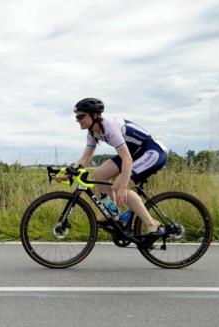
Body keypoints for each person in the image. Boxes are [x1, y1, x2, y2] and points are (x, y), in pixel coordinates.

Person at [71, 98, 166, 243]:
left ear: (94, 115)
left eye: (81, 116)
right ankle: (113, 215)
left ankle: (152, 224)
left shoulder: (109, 127)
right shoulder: (92, 132)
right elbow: (85, 158)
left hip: (152, 152)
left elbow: (127, 159)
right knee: (100, 173)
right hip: (134, 153)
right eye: (76, 116)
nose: (78, 120)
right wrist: (68, 172)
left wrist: (122, 186)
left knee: (120, 187)